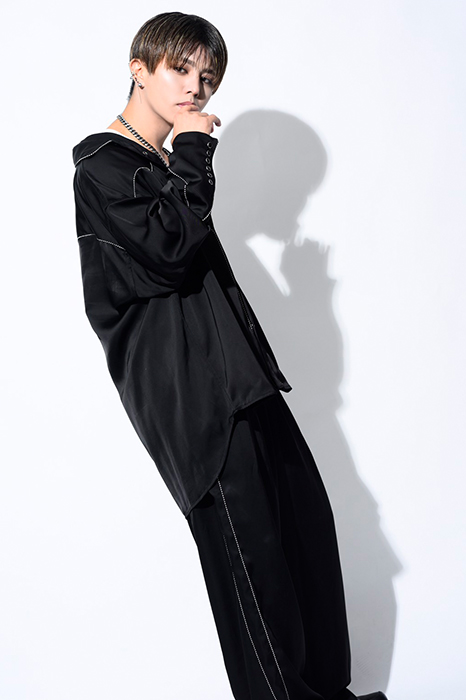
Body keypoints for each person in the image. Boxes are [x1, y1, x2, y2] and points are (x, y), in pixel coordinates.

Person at [72, 11, 388, 700]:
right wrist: (193, 148)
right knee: (254, 565)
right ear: (139, 69)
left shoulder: (161, 163)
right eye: (181, 68)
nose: (196, 87)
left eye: (208, 78)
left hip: (242, 381)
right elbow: (168, 251)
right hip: (197, 400)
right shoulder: (102, 164)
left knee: (306, 530)